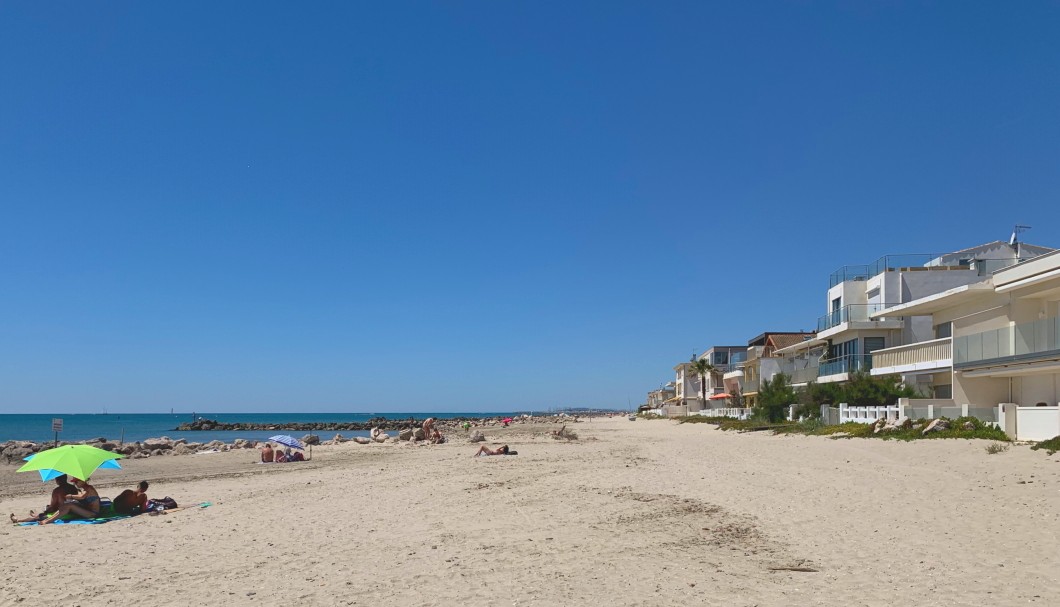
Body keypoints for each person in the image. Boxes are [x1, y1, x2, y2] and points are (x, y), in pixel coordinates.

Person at [10, 474, 78, 524]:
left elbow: (53, 505)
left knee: (39, 517)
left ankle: (18, 520)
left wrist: (45, 512)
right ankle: (35, 514)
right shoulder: (73, 487)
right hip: (74, 512)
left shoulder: (57, 490)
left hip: (63, 513)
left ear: (57, 480)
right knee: (44, 512)